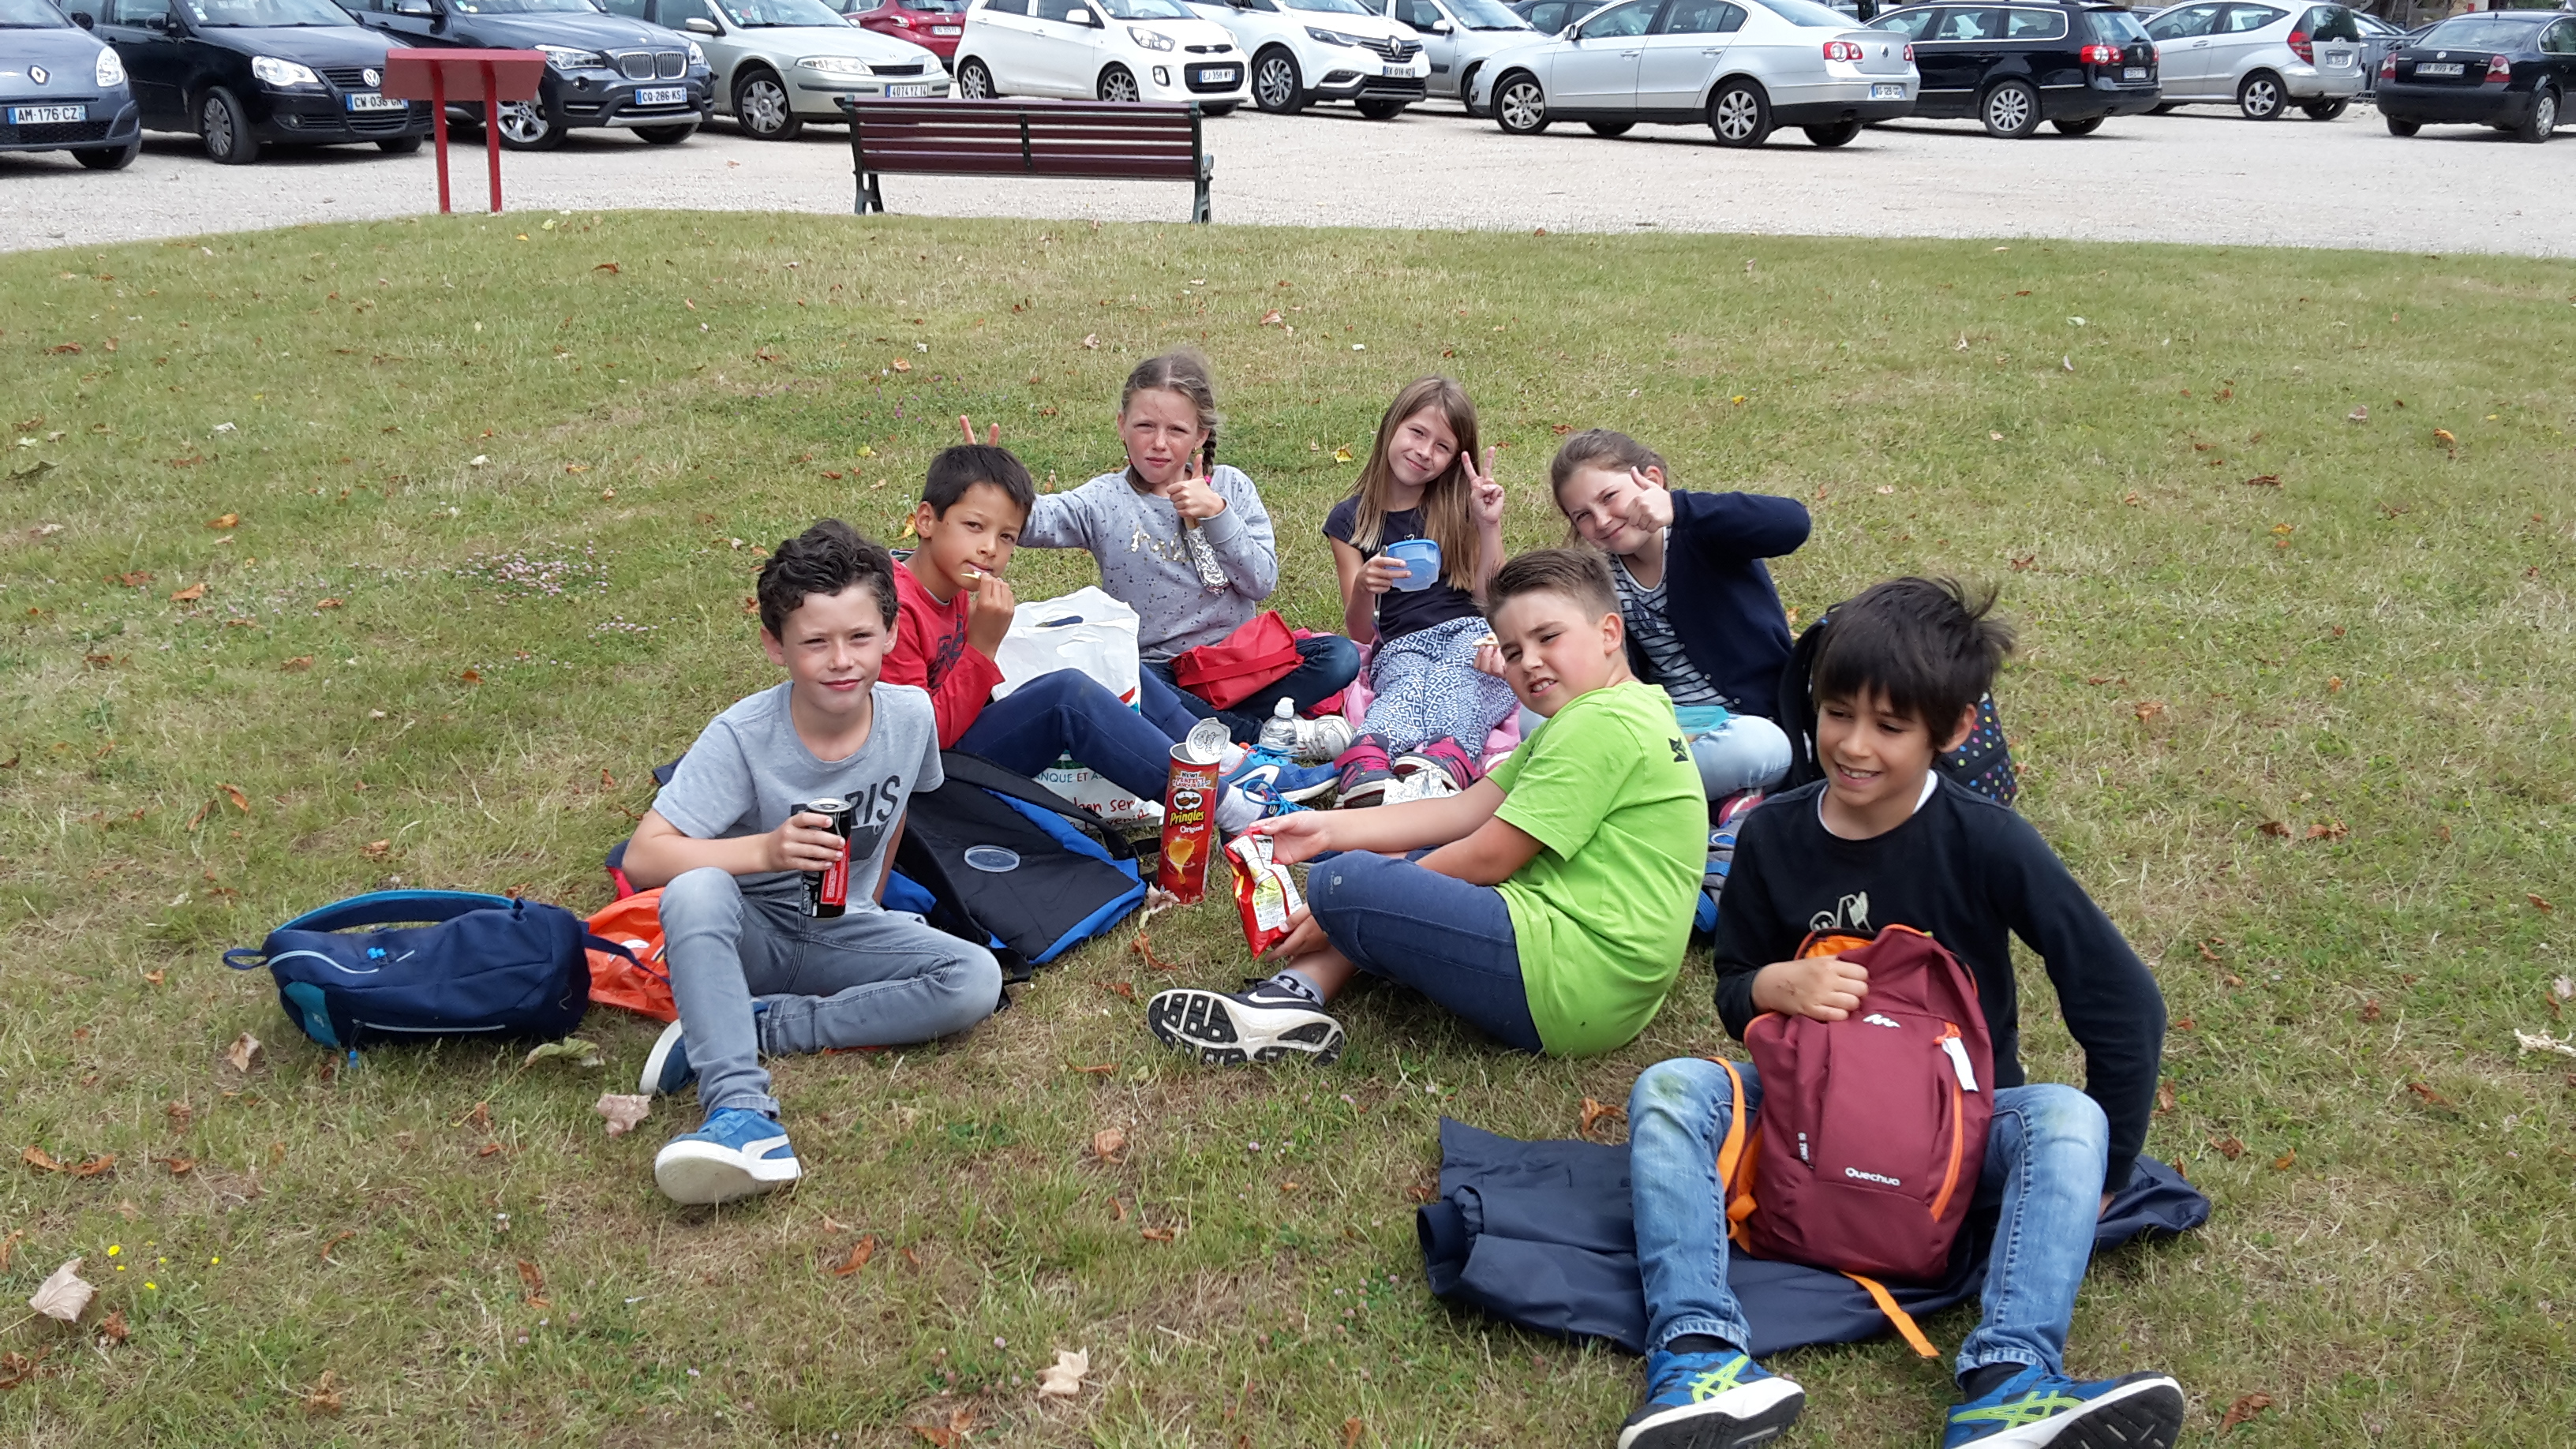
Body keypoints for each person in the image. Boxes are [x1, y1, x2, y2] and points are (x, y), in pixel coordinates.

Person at [1616, 578, 2180, 1449]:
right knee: (1670, 1089)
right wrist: (1773, 986)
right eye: (1838, 714)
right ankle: (1700, 1358)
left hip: (1953, 1135)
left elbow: (2120, 998)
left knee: (2065, 1117)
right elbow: (1734, 987)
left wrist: (2115, 1164)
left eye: (1890, 726)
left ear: (1950, 730)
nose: (1853, 745)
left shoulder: (1987, 839)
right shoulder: (1772, 835)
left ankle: (2010, 1379)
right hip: (1803, 1123)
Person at [1142, 548, 1703, 1065]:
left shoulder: (1600, 722)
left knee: (1347, 884)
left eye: (1547, 637)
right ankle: (1292, 997)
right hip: (1595, 984)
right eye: (1512, 651)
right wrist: (1326, 829)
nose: (1528, 662)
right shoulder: (1618, 709)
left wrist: (1344, 904)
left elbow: (1489, 857)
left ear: (1609, 632)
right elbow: (1463, 811)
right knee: (1369, 863)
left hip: (1569, 982)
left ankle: (1307, 972)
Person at [619, 521, 1004, 1207]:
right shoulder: (743, 734)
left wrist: (872, 906)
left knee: (974, 977)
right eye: (815, 643)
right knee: (696, 889)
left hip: (841, 929)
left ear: (890, 632)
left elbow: (898, 818)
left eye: (859, 638)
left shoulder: (910, 716)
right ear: (776, 646)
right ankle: (739, 1111)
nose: (841, 661)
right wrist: (764, 851)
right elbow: (647, 857)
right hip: (750, 934)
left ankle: (760, 1024)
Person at [886, 440, 1306, 812]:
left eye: (1007, 537)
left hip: (960, 741)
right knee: (1067, 696)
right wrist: (981, 648)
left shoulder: (949, 584)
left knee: (1094, 654)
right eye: (974, 527)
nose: (989, 548)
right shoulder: (893, 612)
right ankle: (1228, 805)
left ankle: (1228, 761)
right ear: (926, 520)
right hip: (932, 786)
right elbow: (921, 743)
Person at [1016, 348, 1358, 762]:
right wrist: (993, 482)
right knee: (1125, 680)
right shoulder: (1106, 499)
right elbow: (1035, 521)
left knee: (1339, 657)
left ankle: (1204, 728)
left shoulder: (1231, 487)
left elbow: (1261, 581)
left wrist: (1217, 514)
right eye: (1144, 426)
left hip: (1237, 662)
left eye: (1177, 430)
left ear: (1200, 435)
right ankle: (1262, 735)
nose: (1159, 444)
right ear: (1122, 426)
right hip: (1159, 672)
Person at [1548, 429, 1809, 802]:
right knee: (1536, 715)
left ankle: (1612, 791)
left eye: (1609, 497)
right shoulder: (1601, 578)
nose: (1602, 520)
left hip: (1745, 725)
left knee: (1762, 748)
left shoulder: (1703, 533)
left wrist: (1680, 508)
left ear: (1651, 480)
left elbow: (1792, 524)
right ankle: (1704, 799)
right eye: (1583, 516)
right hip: (1664, 730)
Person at [1323, 376, 1517, 807]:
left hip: (1468, 629)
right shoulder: (1350, 520)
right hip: (1400, 642)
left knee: (1462, 679)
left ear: (1452, 460)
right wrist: (1363, 587)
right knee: (1405, 685)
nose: (1425, 452)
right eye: (1417, 432)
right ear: (1392, 426)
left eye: (1443, 446)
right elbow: (1358, 631)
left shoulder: (1457, 505)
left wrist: (1488, 524)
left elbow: (1492, 597)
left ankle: (1448, 757)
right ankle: (1369, 760)